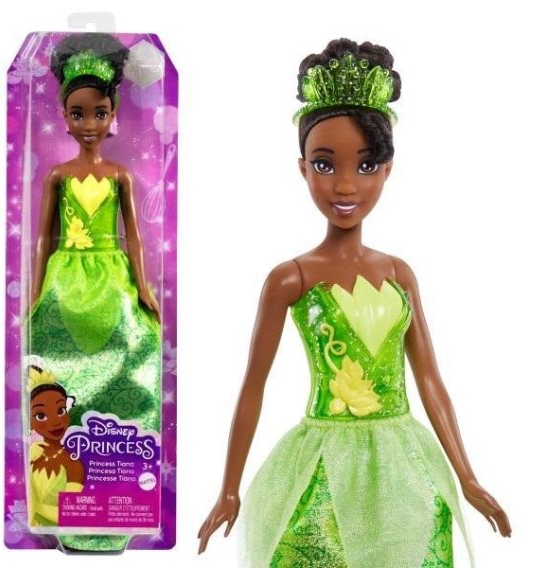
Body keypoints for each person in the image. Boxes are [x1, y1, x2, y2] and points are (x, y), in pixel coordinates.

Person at [198, 39, 511, 567]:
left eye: (366, 166)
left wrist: (467, 477)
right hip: (323, 460)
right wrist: (228, 489)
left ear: (387, 170)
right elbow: (254, 385)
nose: (345, 185)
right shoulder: (291, 278)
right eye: (325, 165)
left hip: (405, 467)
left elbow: (430, 380)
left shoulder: (399, 275)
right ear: (302, 168)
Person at [28, 32, 160, 552]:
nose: (89, 124)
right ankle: (60, 501)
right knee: (57, 377)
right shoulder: (57, 175)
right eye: (79, 114)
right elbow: (43, 239)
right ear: (64, 116)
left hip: (111, 277)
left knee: (129, 358)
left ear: (113, 114)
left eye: (99, 113)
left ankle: (117, 500)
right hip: (65, 278)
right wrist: (35, 296)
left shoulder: (121, 175)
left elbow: (135, 238)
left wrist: (144, 289)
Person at [28, 365, 84, 527]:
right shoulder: (32, 452)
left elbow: (69, 514)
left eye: (60, 411)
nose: (55, 422)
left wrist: (34, 506)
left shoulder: (74, 465)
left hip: (52, 530)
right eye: (41, 415)